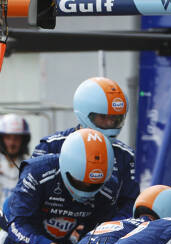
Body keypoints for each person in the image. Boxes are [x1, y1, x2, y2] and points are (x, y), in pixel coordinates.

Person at [31, 77, 137, 217]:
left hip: (97, 230)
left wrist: (108, 230)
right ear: (85, 114)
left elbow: (131, 203)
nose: (110, 123)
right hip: (47, 227)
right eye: (103, 117)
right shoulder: (50, 146)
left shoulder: (127, 157)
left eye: (116, 118)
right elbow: (29, 194)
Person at [0, 113, 31, 212]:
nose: (12, 143)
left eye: (16, 138)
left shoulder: (30, 163)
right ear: (1, 139)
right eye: (8, 138)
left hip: (19, 219)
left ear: (24, 140)